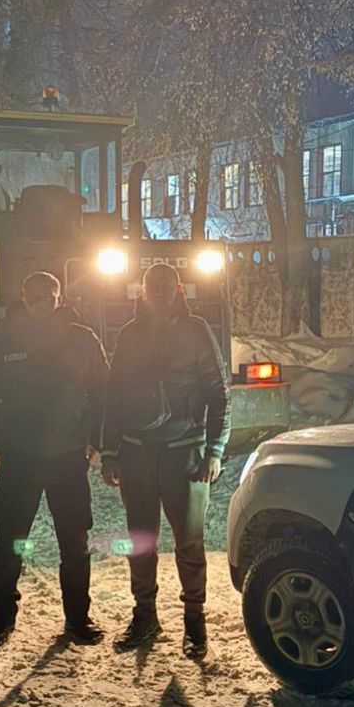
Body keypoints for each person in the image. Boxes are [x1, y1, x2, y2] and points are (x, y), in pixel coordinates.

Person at [102, 262, 230, 658]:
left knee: (189, 544)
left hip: (185, 457)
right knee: (141, 543)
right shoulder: (129, 335)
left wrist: (215, 451)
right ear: (142, 290)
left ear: (178, 288)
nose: (158, 291)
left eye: (165, 285)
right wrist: (109, 451)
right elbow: (114, 396)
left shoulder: (196, 332)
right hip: (137, 454)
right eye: (151, 285)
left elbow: (219, 395)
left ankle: (195, 623)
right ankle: (145, 617)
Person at [0, 271, 108, 645]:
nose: (41, 301)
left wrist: (96, 441)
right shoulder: (5, 342)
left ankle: (78, 619)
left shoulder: (82, 339)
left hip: (67, 458)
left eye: (48, 295)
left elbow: (103, 393)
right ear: (24, 297)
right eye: (34, 296)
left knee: (75, 543)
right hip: (19, 458)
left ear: (58, 296)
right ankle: (2, 617)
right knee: (11, 540)